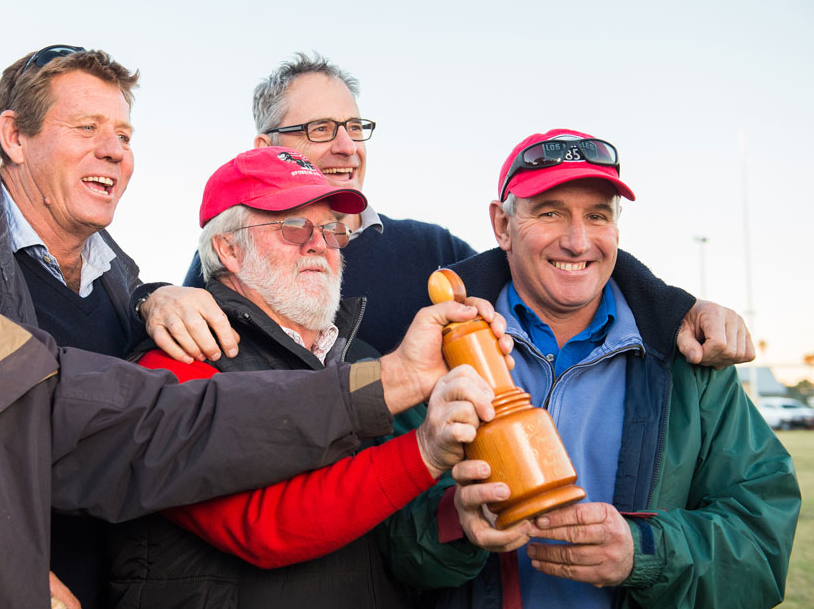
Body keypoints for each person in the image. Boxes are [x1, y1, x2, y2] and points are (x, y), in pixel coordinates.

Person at [0, 50, 484, 609]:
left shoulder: (0, 334)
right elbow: (250, 507)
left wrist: (448, 487)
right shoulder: (166, 341)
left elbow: (157, 425)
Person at [138, 53, 756, 375]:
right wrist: (155, 297)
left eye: (355, 127)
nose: (347, 146)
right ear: (265, 149)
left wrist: (679, 307)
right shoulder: (230, 258)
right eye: (321, 128)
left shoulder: (432, 253)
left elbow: (557, 259)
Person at [109, 146, 509, 609]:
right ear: (228, 249)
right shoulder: (177, 360)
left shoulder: (364, 359)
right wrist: (424, 450)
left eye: (332, 229)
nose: (320, 243)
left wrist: (460, 520)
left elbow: (406, 553)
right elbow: (264, 527)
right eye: (293, 225)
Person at [416, 129, 800, 609]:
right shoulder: (437, 354)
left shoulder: (689, 361)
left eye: (598, 215)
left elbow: (762, 540)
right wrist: (458, 525)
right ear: (502, 224)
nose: (578, 241)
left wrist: (643, 554)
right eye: (550, 211)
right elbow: (390, 542)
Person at [0, 44, 143, 609]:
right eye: (87, 127)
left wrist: (155, 297)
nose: (113, 150)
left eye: (124, 136)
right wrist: (28, 581)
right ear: (14, 137)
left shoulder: (124, 283)